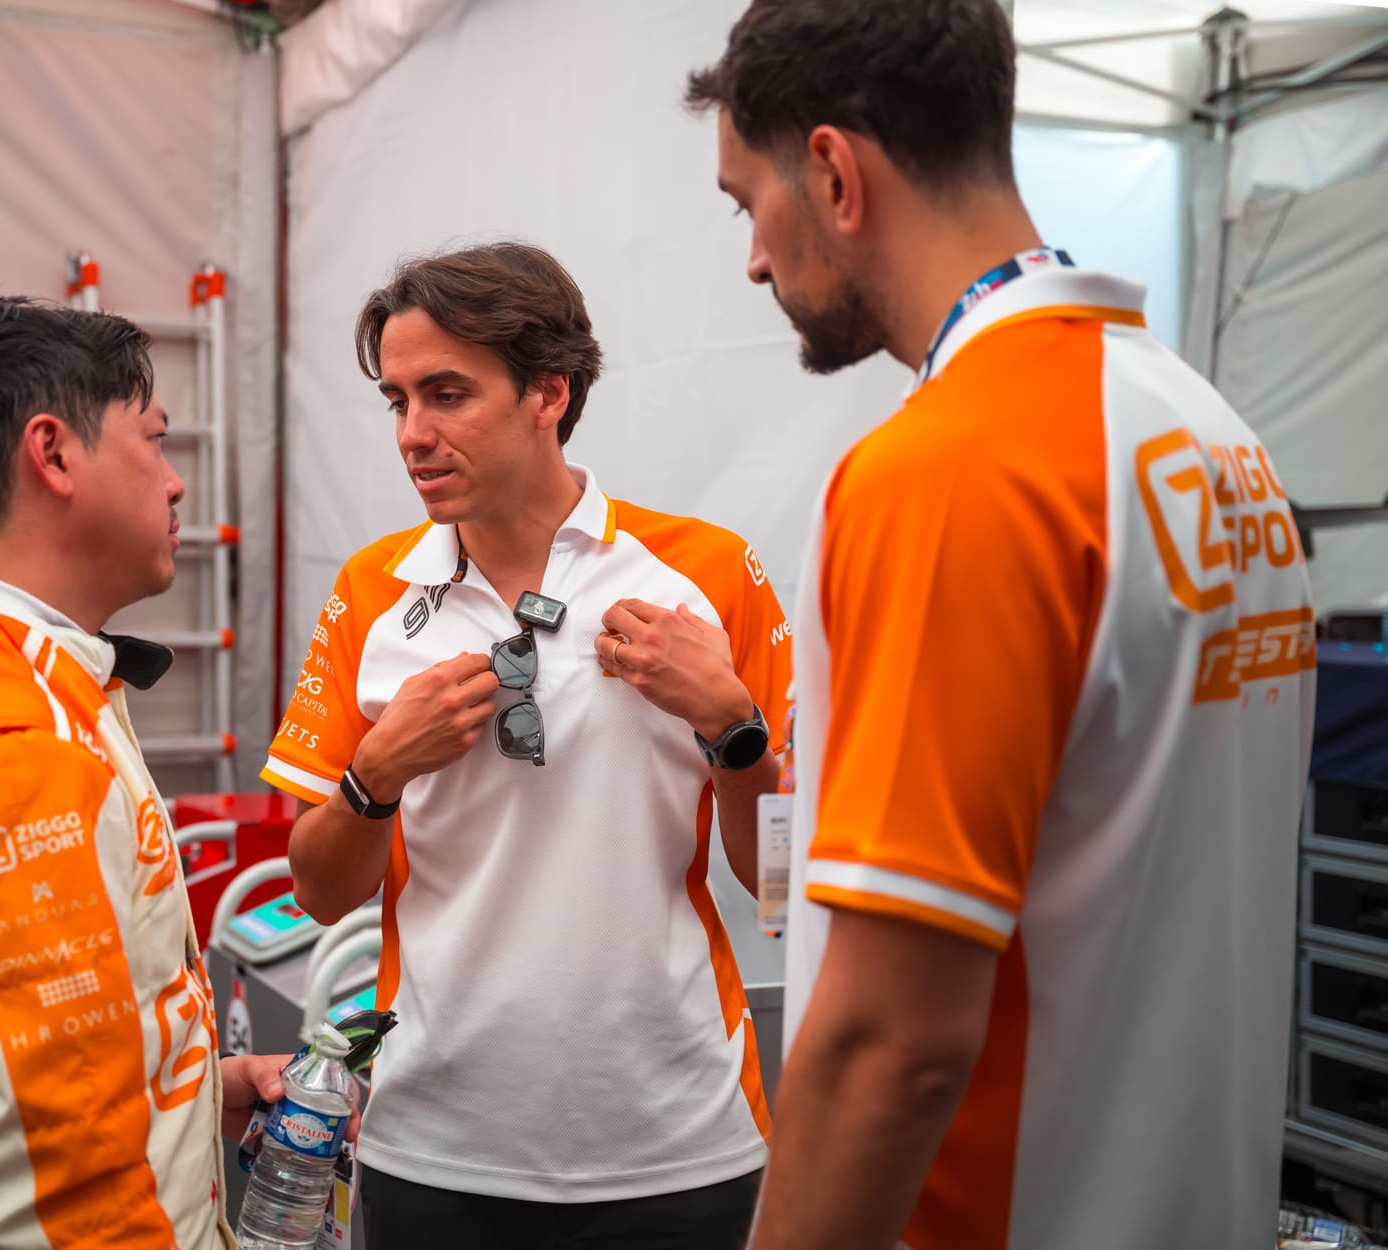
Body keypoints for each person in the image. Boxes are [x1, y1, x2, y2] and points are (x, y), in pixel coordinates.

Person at [686, 4, 1317, 1248]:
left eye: (745, 202)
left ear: (834, 174)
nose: (754, 259)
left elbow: (892, 1043)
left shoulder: (953, 469)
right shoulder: (1207, 430)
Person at [259, 241, 792, 1250]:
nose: (413, 434)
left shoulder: (707, 573)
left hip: (678, 1136)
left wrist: (734, 727)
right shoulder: (372, 590)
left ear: (550, 390)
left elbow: (780, 882)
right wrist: (374, 776)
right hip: (433, 1141)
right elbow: (321, 893)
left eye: (447, 394)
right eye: (397, 401)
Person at [0, 292, 319, 1250]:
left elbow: (26, 1068)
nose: (175, 482)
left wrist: (191, 1091)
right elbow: (66, 1200)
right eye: (154, 441)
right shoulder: (9, 748)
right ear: (52, 454)